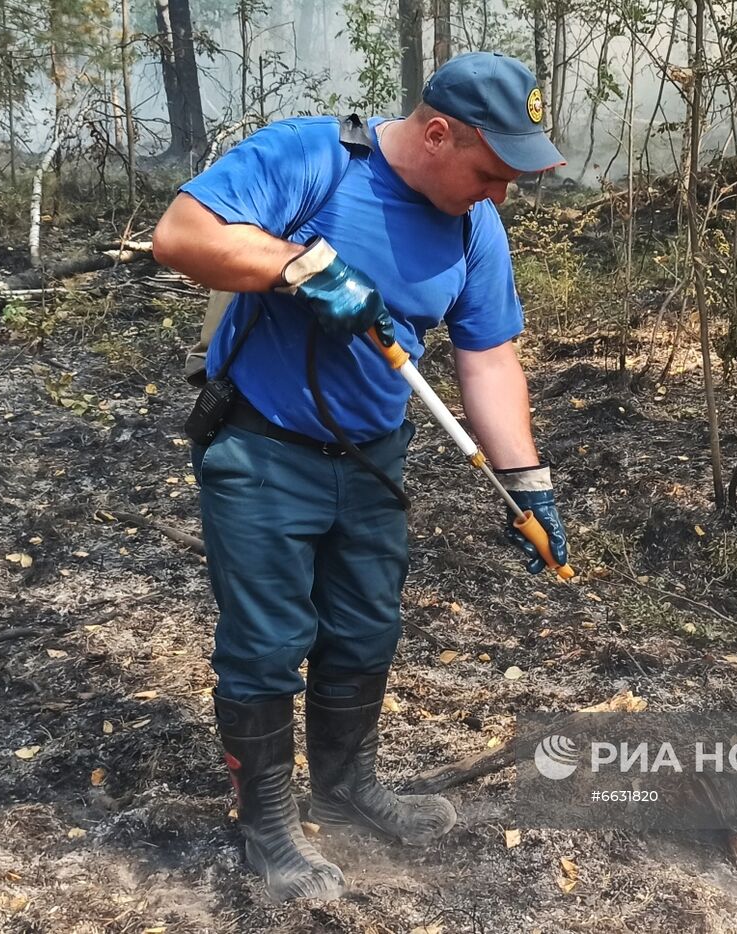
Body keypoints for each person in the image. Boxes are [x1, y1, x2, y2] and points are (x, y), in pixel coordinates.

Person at [151, 51, 570, 903]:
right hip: (264, 448)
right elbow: (181, 237)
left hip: (373, 458)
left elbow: (487, 359)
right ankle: (266, 825)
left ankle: (346, 788)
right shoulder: (314, 159)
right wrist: (299, 268)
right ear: (439, 131)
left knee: (364, 630)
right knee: (268, 646)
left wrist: (528, 482)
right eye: (491, 172)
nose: (499, 194)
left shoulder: (473, 225)